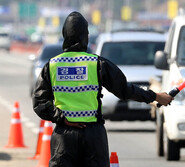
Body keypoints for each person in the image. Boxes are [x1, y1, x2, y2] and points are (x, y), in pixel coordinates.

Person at [32, 11, 173, 167]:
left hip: (63, 137)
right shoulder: (97, 64)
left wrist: (62, 118)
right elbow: (125, 90)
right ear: (85, 36)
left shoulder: (51, 66)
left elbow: (39, 102)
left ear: (65, 34)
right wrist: (156, 96)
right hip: (93, 136)